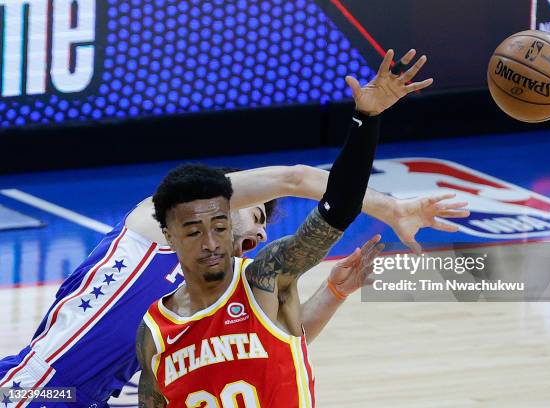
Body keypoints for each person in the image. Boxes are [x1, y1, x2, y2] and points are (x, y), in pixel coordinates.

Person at [0, 50, 468, 407]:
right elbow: (297, 178)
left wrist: (333, 294)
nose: (260, 232)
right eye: (256, 214)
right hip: (28, 389)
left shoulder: (210, 296)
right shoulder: (154, 226)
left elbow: (275, 341)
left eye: (264, 224)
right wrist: (390, 205)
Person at [137, 49, 442, 407]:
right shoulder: (154, 329)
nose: (210, 242)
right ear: (169, 237)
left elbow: (339, 207)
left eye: (219, 226)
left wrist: (366, 120)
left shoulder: (263, 276)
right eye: (195, 231)